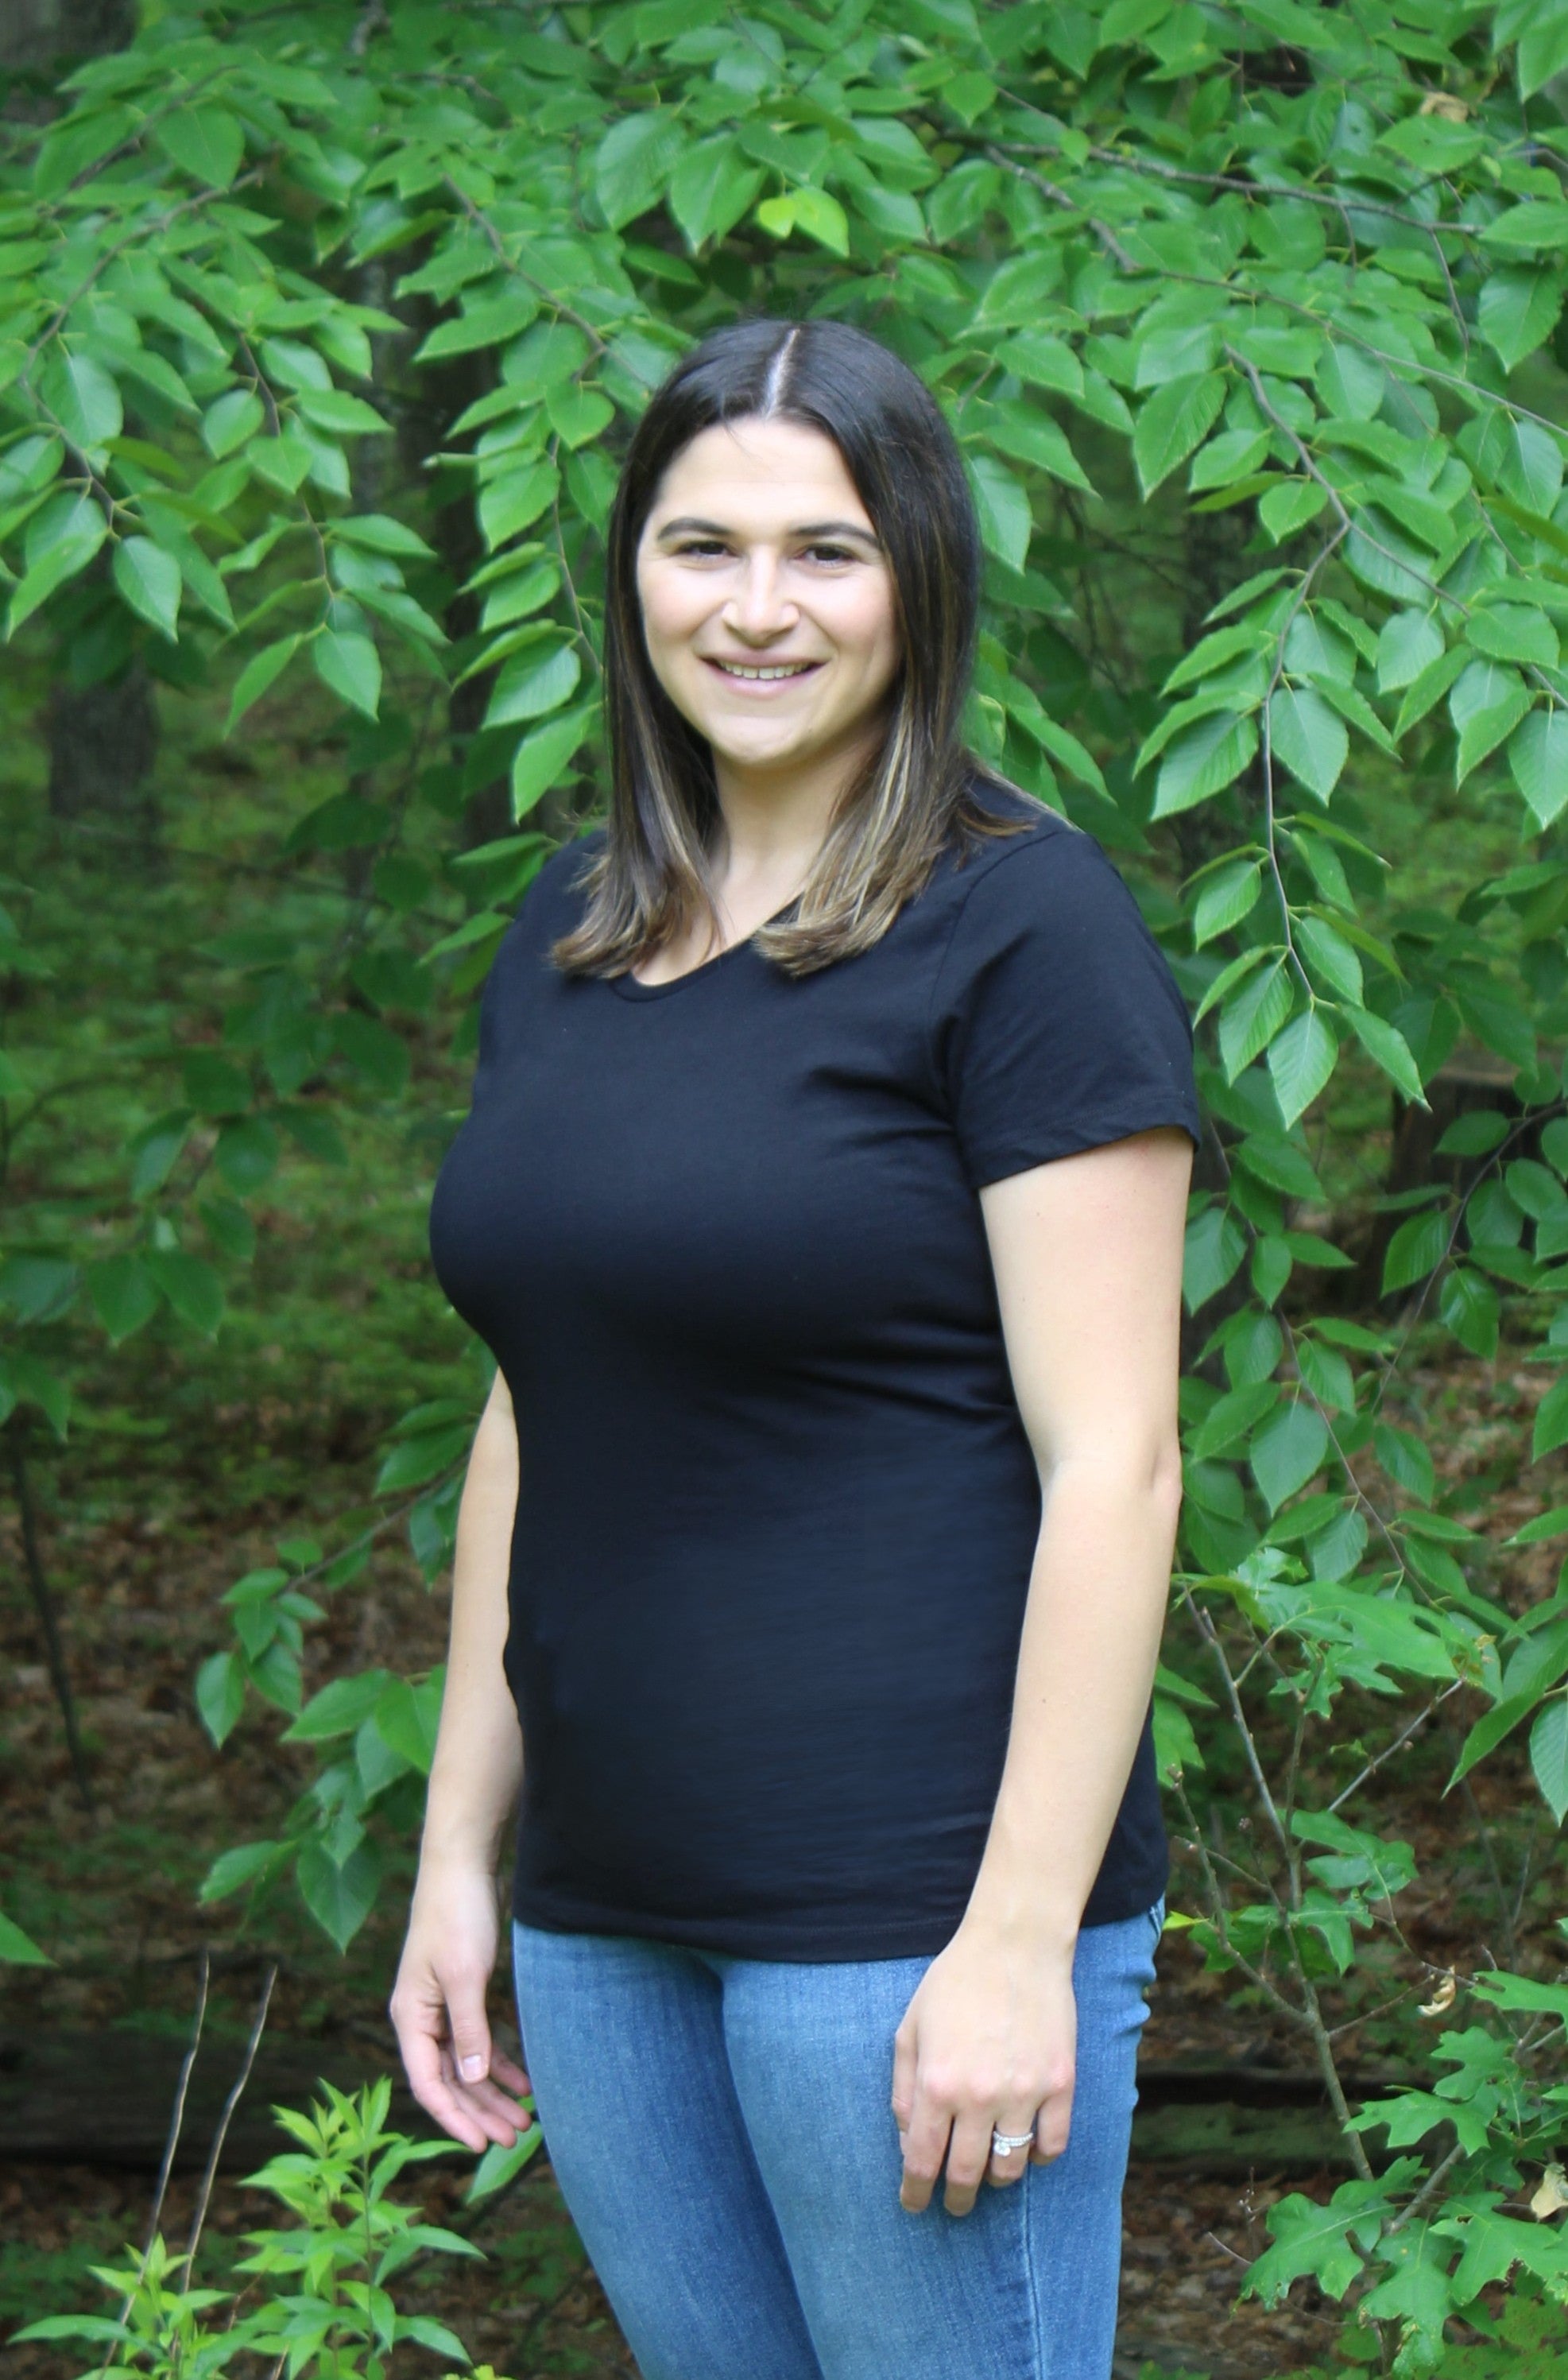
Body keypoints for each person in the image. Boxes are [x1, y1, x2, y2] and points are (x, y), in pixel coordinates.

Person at [392, 316, 1201, 2380]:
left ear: (919, 581)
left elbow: (1116, 1459)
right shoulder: (572, 926)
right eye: (702, 544)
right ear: (632, 574)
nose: (756, 608)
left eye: (824, 552)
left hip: (908, 1904)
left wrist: (1019, 1935)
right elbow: (538, 1398)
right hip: (606, 1911)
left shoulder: (1024, 930)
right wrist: (458, 1851)